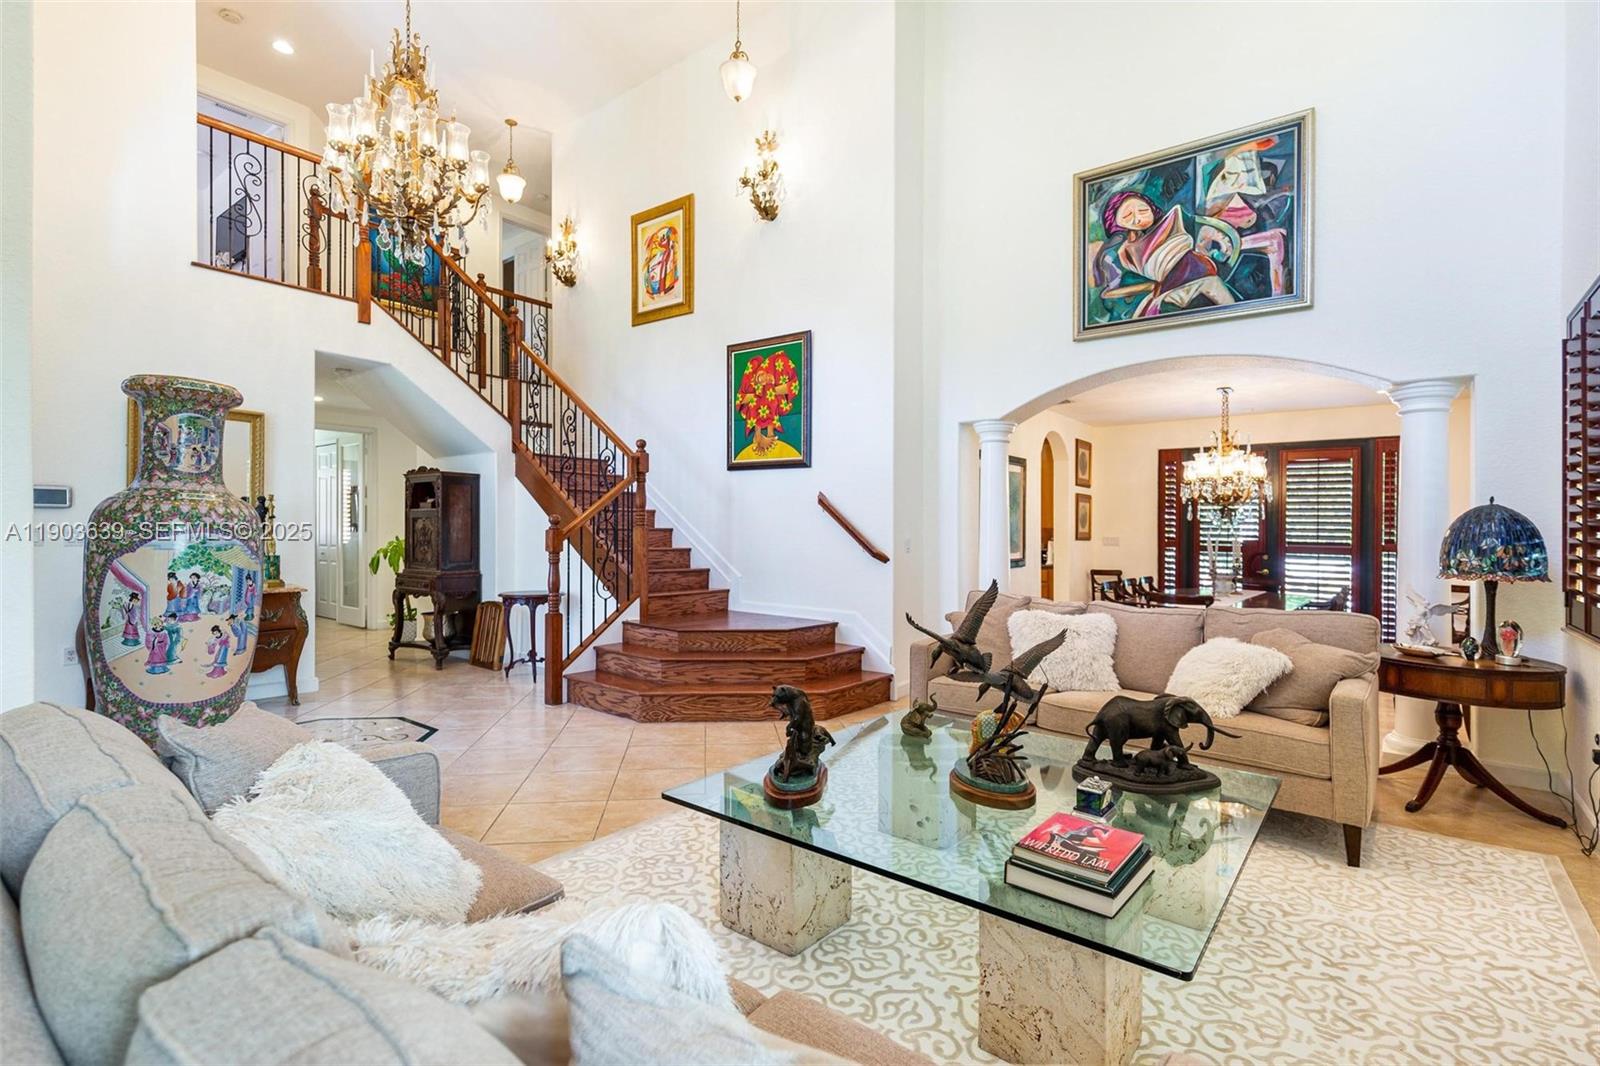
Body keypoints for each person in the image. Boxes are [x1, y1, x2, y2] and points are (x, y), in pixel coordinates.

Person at [1095, 190, 1239, 320]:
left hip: (1199, 270)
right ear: (1116, 222)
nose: (1138, 218)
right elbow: (1110, 293)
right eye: (1127, 216)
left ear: (1151, 208)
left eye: (1143, 210)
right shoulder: (1125, 253)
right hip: (1169, 286)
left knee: (1227, 306)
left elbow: (1206, 231)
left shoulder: (1174, 219)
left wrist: (1219, 242)